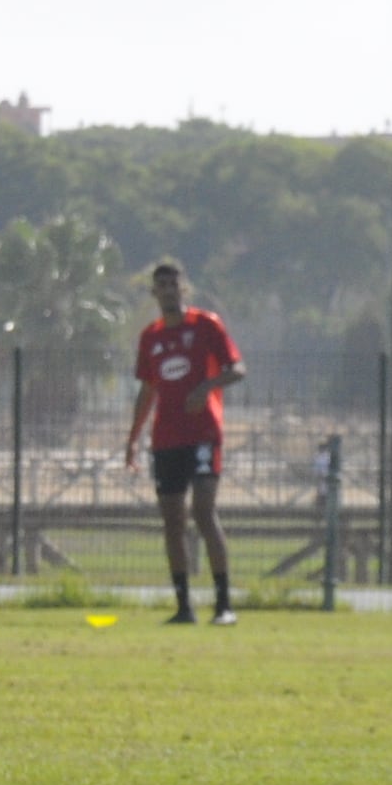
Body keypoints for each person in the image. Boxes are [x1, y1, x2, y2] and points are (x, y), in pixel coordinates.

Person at [122, 261, 245, 625]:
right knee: (172, 521)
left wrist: (206, 387)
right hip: (166, 440)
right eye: (161, 285)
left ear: (183, 289)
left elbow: (237, 369)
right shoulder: (151, 338)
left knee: (204, 511)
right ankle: (183, 607)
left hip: (204, 434)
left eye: (174, 284)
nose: (168, 291)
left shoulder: (205, 326)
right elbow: (147, 390)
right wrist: (132, 439)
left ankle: (224, 605)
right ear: (154, 293)